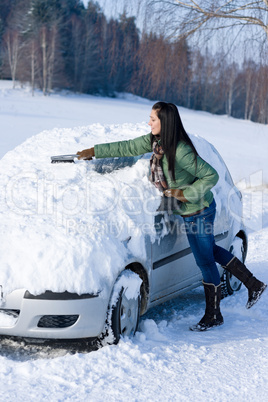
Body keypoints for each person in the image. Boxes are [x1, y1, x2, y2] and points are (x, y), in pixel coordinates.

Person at [77, 102, 267, 332]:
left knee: (205, 260)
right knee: (211, 252)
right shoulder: (155, 143)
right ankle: (253, 284)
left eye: (153, 119)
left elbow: (211, 176)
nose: (149, 122)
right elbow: (127, 146)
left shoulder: (181, 150)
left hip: (200, 210)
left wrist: (183, 193)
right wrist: (93, 151)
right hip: (188, 212)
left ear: (164, 122)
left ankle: (214, 314)